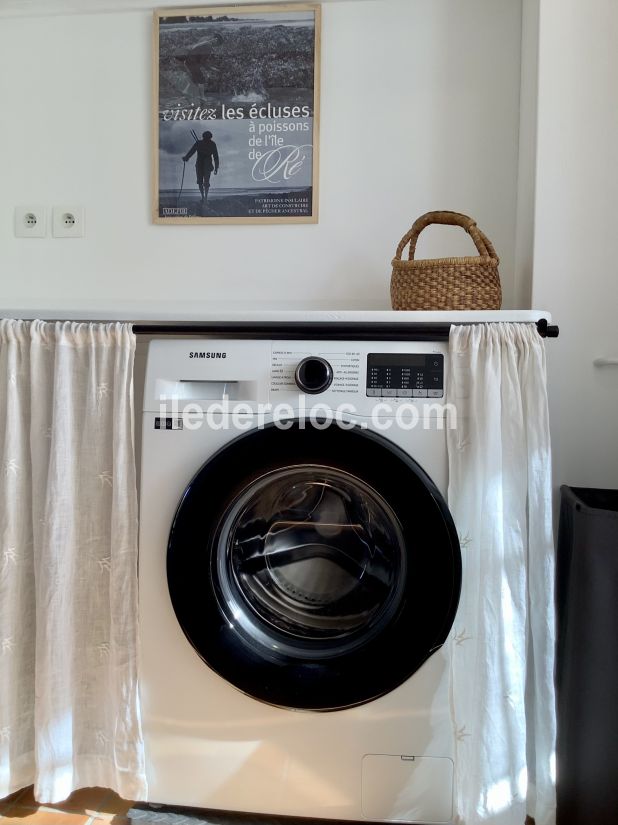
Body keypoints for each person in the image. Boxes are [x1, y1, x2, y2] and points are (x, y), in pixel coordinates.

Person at [183, 131, 219, 203]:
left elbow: (216, 157)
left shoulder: (212, 144)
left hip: (207, 166)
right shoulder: (199, 143)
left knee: (206, 182)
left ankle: (205, 198)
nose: (207, 139)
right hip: (200, 165)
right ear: (203, 137)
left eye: (208, 138)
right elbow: (192, 151)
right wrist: (186, 157)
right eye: (206, 138)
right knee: (200, 182)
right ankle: (203, 197)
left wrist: (216, 168)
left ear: (210, 137)